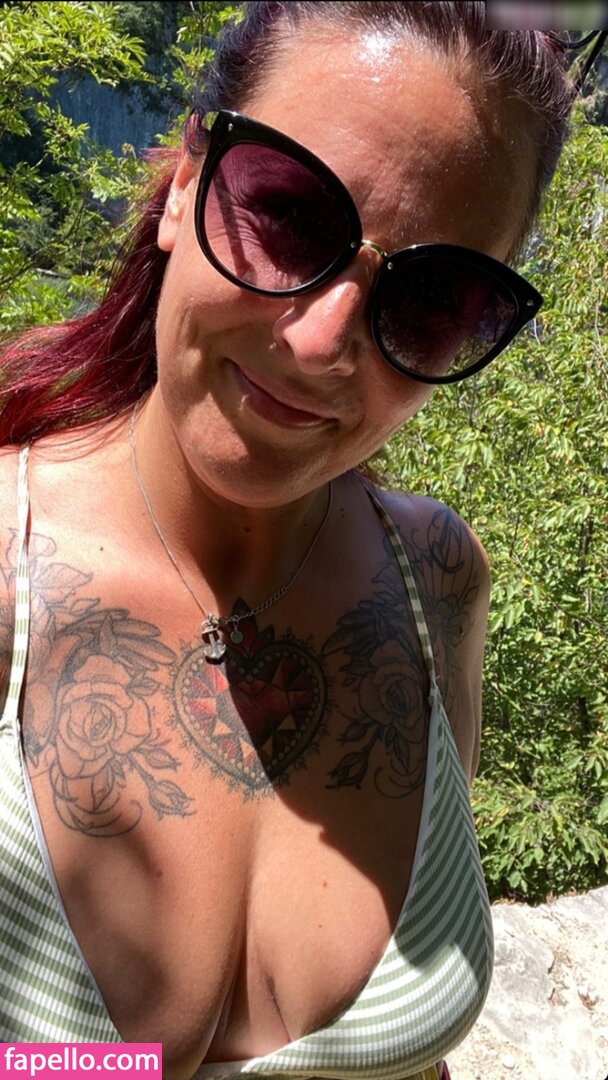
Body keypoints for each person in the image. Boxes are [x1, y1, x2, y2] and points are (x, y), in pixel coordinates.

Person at [0, 3, 577, 1078]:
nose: (320, 344)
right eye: (290, 216)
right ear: (185, 184)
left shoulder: (436, 581)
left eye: (434, 295)